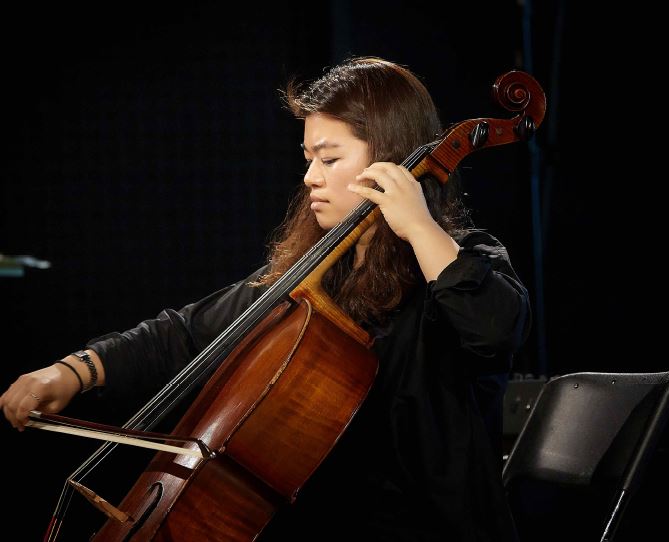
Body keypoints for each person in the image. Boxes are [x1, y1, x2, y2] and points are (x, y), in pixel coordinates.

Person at [0, 56, 531, 541]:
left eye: (329, 158)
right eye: (308, 157)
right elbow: (186, 333)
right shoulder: (318, 277)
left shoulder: (466, 259)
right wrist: (75, 370)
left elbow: (493, 330)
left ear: (389, 160)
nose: (309, 177)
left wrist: (418, 226)